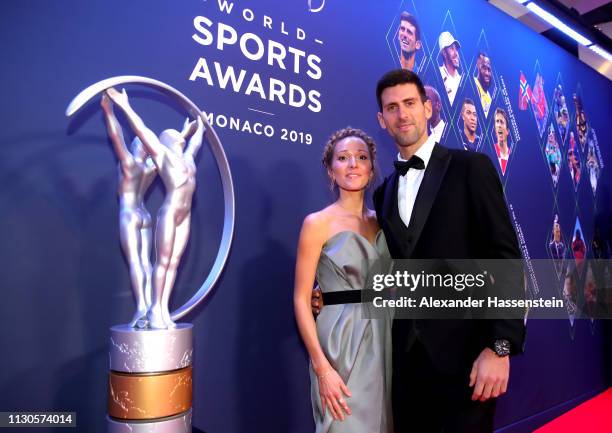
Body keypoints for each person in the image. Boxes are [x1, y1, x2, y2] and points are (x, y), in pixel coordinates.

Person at [373, 69, 524, 433]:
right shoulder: (384, 193)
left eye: (410, 103)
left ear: (427, 108)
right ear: (382, 119)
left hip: (469, 357)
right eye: (391, 108)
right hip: (407, 364)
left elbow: (505, 257)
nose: (402, 114)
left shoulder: (470, 167)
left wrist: (500, 346)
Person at [294, 127, 393, 433]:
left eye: (361, 157)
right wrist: (322, 368)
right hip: (341, 341)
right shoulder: (317, 223)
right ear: (331, 169)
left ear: (371, 168)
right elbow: (300, 299)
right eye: (343, 158)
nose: (352, 164)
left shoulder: (385, 221)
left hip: (386, 333)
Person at [106, 88, 204, 329]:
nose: (179, 137)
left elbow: (195, 142)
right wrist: (122, 106)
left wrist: (199, 126)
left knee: (174, 263)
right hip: (169, 213)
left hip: (185, 215)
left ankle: (161, 310)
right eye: (174, 136)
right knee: (162, 262)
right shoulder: (162, 157)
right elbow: (139, 129)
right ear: (165, 143)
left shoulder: (188, 159)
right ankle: (152, 310)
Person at [101, 93, 157, 328]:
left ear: (136, 147)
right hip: (145, 215)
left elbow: (116, 137)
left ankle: (143, 307)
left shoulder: (129, 164)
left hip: (129, 214)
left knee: (136, 262)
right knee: (148, 263)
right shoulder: (151, 168)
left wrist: (108, 110)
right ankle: (152, 306)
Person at [438, 31, 461, 106]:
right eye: (452, 49)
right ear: (444, 53)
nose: (456, 53)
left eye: (456, 49)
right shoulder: (438, 75)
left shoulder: (462, 81)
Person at [473, 53, 492, 118]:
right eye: (484, 68)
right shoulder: (473, 85)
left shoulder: (489, 96)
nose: (487, 73)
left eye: (489, 69)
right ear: (478, 67)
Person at [493, 108, 510, 175]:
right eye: (497, 121)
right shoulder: (491, 150)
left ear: (507, 131)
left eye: (502, 122)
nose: (499, 125)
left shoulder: (512, 156)